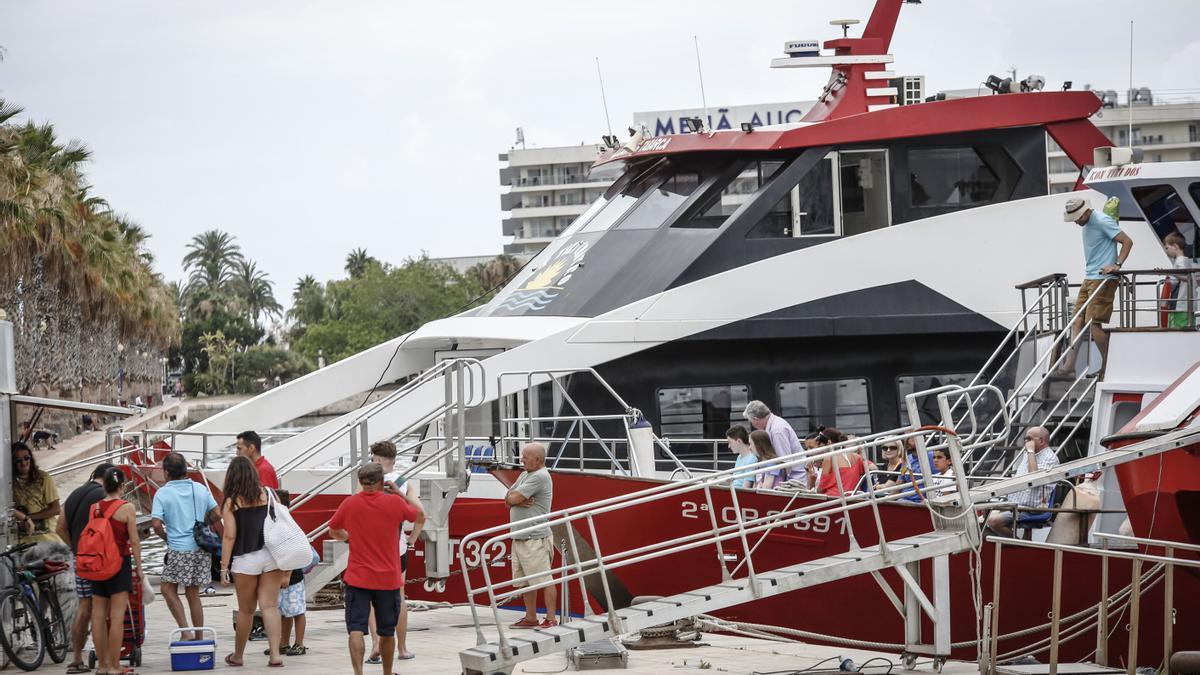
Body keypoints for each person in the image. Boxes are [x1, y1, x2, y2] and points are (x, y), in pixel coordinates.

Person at [328, 463, 423, 675]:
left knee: (355, 630)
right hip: (388, 578)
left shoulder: (350, 504)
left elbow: (333, 529)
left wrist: (348, 539)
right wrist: (400, 493)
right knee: (387, 632)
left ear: (360, 482)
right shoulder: (394, 503)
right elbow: (419, 515)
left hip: (358, 577)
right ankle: (387, 673)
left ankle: (358, 673)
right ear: (382, 481)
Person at [219, 455, 287, 668]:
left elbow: (229, 536)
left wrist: (223, 567)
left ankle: (238, 655)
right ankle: (275, 655)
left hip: (245, 559)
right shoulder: (269, 493)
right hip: (272, 556)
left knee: (246, 610)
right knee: (270, 607)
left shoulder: (232, 501)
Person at [364, 441, 426, 664]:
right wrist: (411, 540)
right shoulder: (406, 482)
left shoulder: (367, 480)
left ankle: (375, 644)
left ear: (378, 460)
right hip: (396, 549)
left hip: (371, 549)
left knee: (371, 599)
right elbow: (421, 514)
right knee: (398, 599)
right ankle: (402, 648)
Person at [1059, 197, 1133, 377]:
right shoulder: (1089, 222)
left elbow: (1127, 241)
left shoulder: (1101, 220)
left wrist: (1117, 264)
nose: (1076, 222)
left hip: (1104, 279)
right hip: (1090, 277)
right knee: (1077, 321)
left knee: (1094, 324)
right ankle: (1069, 367)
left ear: (1085, 212)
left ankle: (1109, 366)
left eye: (1077, 218)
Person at [151, 452, 219, 642]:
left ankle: (185, 632)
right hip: (200, 549)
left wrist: (166, 537)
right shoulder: (199, 488)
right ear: (185, 470)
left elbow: (155, 524)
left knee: (167, 589)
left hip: (179, 549)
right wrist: (203, 524)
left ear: (166, 473)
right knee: (193, 593)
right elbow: (217, 513)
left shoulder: (162, 493)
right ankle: (199, 636)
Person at [56, 462, 116, 674]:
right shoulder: (103, 496)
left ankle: (76, 659)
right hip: (99, 561)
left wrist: (77, 549)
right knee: (103, 609)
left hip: (80, 560)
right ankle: (105, 660)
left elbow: (60, 528)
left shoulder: (74, 494)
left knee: (84, 608)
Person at [90, 467, 144, 675]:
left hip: (97, 565)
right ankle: (114, 666)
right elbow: (135, 541)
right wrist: (139, 568)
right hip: (119, 564)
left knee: (98, 616)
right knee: (117, 616)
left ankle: (102, 666)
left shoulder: (94, 507)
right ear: (121, 486)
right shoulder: (127, 508)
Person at [505, 443, 557, 630]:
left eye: (525, 457)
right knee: (527, 580)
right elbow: (508, 498)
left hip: (534, 537)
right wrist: (513, 498)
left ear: (538, 460)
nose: (521, 459)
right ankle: (531, 617)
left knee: (544, 579)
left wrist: (515, 499)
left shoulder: (539, 477)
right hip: (520, 536)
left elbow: (513, 499)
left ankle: (551, 619)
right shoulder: (526, 474)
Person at [985, 426, 1061, 537]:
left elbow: (1033, 477)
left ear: (1041, 441)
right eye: (1025, 439)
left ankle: (1016, 543)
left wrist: (1030, 451)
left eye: (1029, 439)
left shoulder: (1049, 458)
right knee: (980, 517)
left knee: (993, 521)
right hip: (1016, 505)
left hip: (1032, 509)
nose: (1026, 442)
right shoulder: (1028, 455)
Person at [266, 491, 307, 658]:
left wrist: (287, 575)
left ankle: (299, 643)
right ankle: (283, 642)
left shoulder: (285, 524)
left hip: (292, 575)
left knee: (297, 611)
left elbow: (291, 550)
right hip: (279, 572)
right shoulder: (277, 522)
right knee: (283, 611)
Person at [11, 441, 63, 544]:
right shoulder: (10, 483)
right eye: (18, 461)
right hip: (23, 540)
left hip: (47, 537)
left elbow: (56, 509)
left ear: (31, 458)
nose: (23, 463)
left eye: (26, 458)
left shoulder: (43, 478)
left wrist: (27, 518)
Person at [742, 401, 807, 482]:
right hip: (793, 475)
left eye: (751, 422)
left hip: (795, 478)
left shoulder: (776, 431)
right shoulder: (775, 424)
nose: (752, 425)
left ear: (756, 419)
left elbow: (785, 462)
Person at [814, 427, 866, 497]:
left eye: (821, 445)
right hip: (854, 498)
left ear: (829, 442)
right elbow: (873, 468)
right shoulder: (857, 457)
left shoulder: (829, 458)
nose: (821, 450)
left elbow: (821, 489)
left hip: (833, 499)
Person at [1162, 232, 1193, 329]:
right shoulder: (1185, 260)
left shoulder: (1181, 260)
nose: (1166, 251)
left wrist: (1171, 273)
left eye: (1167, 248)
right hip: (1184, 303)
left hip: (1181, 303)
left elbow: (1187, 277)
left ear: (1175, 246)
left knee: (1177, 327)